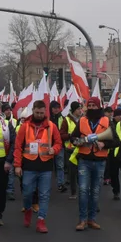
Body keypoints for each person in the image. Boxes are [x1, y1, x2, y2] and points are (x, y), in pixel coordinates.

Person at [14, 100, 63, 234]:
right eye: (37, 112)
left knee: (44, 194)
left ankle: (41, 220)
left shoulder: (51, 126)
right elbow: (18, 146)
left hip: (46, 165)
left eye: (42, 113)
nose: (40, 115)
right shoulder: (25, 126)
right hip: (29, 165)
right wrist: (17, 165)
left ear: (45, 112)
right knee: (27, 192)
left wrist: (55, 149)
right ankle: (28, 209)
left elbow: (59, 143)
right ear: (33, 111)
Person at [73, 97, 110, 231]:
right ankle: (82, 220)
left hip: (100, 161)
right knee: (83, 190)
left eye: (95, 105)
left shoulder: (106, 121)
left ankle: (91, 219)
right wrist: (80, 141)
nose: (92, 107)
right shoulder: (82, 121)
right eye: (90, 105)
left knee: (95, 191)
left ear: (99, 106)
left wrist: (104, 144)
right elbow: (73, 138)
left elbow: (116, 141)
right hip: (84, 160)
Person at [60, 101, 82, 198]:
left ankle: (83, 191)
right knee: (72, 172)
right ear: (73, 110)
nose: (80, 110)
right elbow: (62, 135)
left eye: (80, 108)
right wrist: (71, 136)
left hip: (81, 148)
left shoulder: (83, 119)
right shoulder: (66, 120)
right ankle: (73, 192)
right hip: (70, 149)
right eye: (78, 109)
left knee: (82, 172)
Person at [104, 107, 121, 201]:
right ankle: (116, 191)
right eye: (118, 115)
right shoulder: (111, 124)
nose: (120, 117)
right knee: (114, 173)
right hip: (113, 153)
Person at [49, 101, 66, 192]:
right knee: (48, 166)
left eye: (57, 108)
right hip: (48, 145)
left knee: (60, 166)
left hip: (59, 145)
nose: (56, 109)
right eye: (54, 108)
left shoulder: (62, 119)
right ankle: (46, 184)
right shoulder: (47, 119)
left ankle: (61, 184)